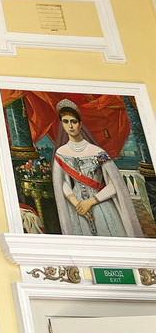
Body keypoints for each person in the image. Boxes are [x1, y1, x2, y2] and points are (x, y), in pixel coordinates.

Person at [51, 98, 142, 237]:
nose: (70, 126)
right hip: (76, 207)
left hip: (101, 202)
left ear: (80, 124)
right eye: (65, 121)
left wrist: (90, 202)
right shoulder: (60, 153)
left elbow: (115, 184)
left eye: (73, 121)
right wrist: (77, 204)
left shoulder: (98, 152)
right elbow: (61, 182)